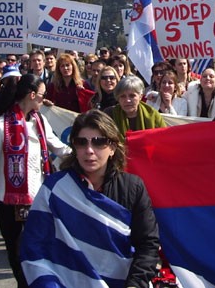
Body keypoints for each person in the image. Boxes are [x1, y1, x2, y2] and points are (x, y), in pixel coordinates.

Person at [20, 109, 160, 287]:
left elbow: (147, 244)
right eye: (81, 142)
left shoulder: (133, 187)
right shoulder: (55, 188)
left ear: (112, 148)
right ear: (74, 147)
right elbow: (34, 245)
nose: (89, 150)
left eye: (99, 142)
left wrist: (134, 284)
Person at [0, 74, 70, 288]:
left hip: (38, 199)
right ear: (31, 95)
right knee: (16, 252)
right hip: (8, 201)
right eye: (41, 96)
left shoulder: (40, 122)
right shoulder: (0, 126)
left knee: (38, 249)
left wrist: (86, 152)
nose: (43, 100)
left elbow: (58, 147)